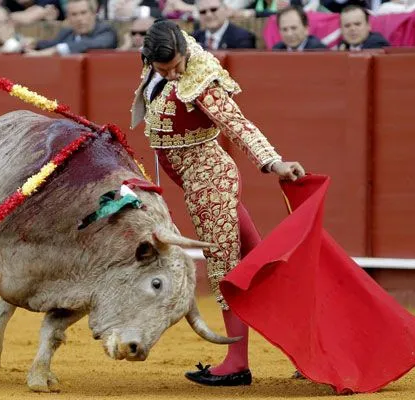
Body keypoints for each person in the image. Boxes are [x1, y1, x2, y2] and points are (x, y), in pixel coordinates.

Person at [130, 19, 306, 386]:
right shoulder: (155, 57)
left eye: (177, 65)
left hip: (210, 183)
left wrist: (273, 163)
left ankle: (237, 362)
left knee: (227, 272)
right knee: (260, 268)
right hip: (196, 181)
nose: (175, 73)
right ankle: (309, 350)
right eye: (166, 69)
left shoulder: (201, 78)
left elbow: (239, 125)